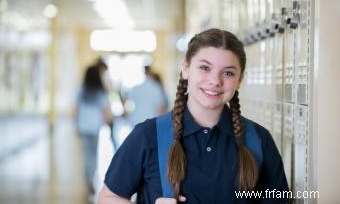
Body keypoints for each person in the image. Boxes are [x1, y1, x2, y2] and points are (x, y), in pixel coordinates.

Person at [98, 28, 289, 204]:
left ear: (239, 81)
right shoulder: (148, 136)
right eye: (205, 68)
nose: (215, 81)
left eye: (228, 73)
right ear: (186, 69)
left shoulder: (259, 140)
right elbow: (108, 198)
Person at [75, 65, 113, 197]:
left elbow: (76, 110)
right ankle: (89, 180)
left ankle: (88, 180)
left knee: (87, 155)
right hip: (95, 128)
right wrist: (109, 122)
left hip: (83, 127)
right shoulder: (100, 91)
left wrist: (76, 126)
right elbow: (105, 110)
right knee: (93, 155)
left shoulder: (80, 91)